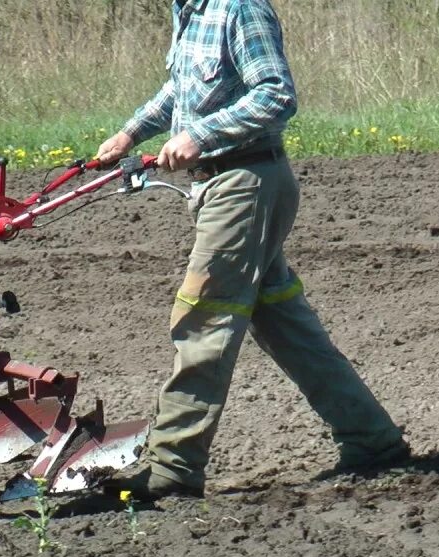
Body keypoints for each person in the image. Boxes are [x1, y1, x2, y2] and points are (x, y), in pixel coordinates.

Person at [98, 0, 409, 501]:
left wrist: (200, 135)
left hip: (246, 182)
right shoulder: (190, 12)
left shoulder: (240, 9)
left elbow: (276, 95)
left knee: (204, 319)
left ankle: (174, 467)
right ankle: (371, 439)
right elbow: (183, 90)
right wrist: (131, 132)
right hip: (223, 186)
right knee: (283, 322)